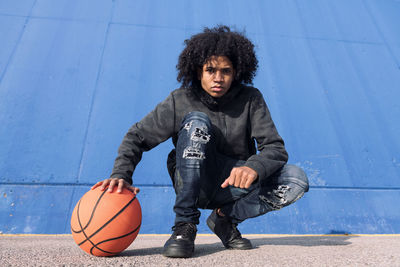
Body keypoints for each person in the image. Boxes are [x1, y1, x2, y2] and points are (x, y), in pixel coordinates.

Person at [92, 25, 309, 258]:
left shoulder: (250, 99)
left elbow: (275, 148)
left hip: (232, 185)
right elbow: (137, 137)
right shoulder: (180, 99)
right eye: (210, 70)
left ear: (236, 72)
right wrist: (121, 175)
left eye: (226, 71)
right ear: (198, 72)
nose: (218, 78)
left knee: (295, 180)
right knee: (197, 122)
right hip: (193, 179)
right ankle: (184, 226)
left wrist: (253, 167)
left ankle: (225, 220)